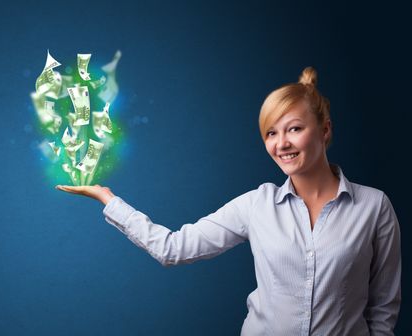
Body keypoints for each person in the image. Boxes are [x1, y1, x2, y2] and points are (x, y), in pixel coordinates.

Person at [56, 67, 401, 335]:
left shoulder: (374, 207)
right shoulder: (256, 206)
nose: (281, 143)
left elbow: (383, 307)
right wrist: (108, 199)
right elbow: (174, 248)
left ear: (325, 130)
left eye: (294, 128)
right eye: (271, 133)